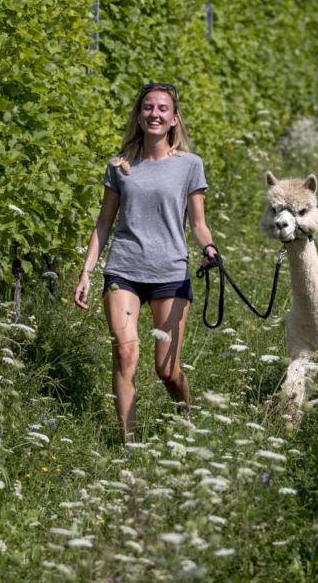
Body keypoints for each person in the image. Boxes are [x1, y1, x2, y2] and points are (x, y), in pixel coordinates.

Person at [74, 83, 218, 443]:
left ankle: (188, 422)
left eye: (163, 109)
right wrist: (87, 271)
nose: (155, 114)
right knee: (125, 352)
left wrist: (210, 249)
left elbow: (198, 223)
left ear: (174, 119)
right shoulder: (120, 166)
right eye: (148, 108)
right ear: (139, 116)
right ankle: (130, 443)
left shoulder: (190, 165)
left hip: (170, 272)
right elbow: (104, 223)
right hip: (123, 270)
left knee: (166, 370)